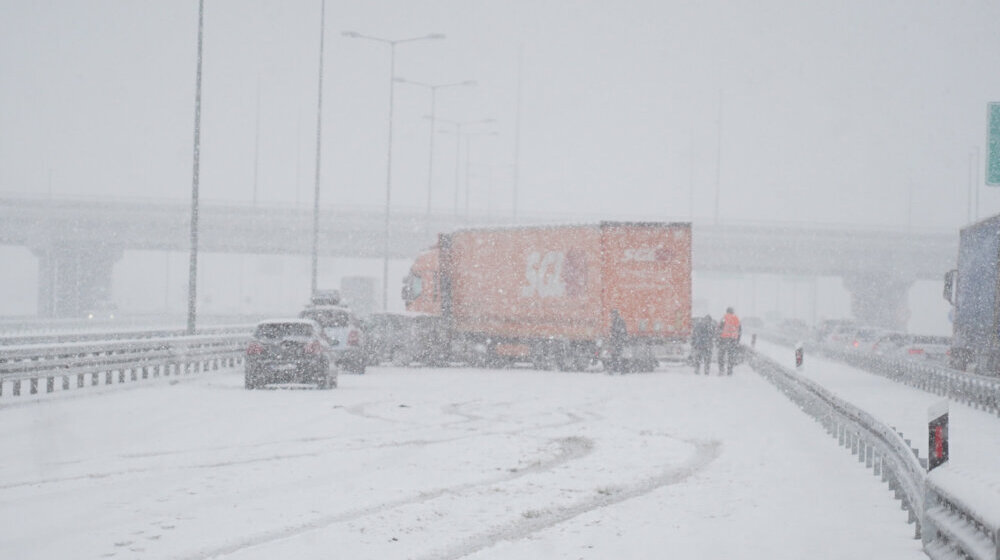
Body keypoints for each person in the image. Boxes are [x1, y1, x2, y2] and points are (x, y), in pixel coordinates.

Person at [717, 306, 742, 376]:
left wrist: (718, 339)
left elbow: (719, 329)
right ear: (733, 311)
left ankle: (721, 370)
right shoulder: (736, 319)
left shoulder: (724, 318)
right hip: (733, 340)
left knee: (721, 356)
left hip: (724, 339)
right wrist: (737, 340)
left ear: (727, 311)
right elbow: (739, 330)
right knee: (731, 356)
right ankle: (730, 371)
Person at [608, 309, 628, 374]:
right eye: (612, 314)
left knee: (617, 356)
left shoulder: (619, 321)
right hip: (616, 342)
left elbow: (621, 331)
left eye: (613, 314)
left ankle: (620, 370)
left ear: (616, 314)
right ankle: (615, 369)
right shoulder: (614, 321)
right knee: (615, 356)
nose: (612, 316)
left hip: (618, 342)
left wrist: (614, 335)